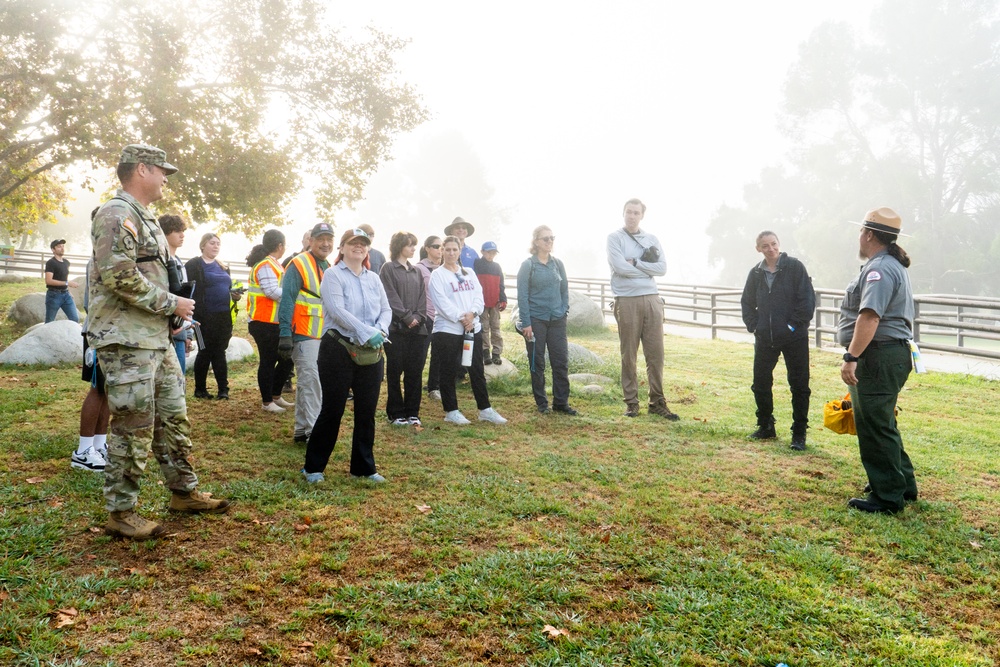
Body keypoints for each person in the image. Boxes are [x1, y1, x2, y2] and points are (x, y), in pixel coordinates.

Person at [89, 143, 229, 539]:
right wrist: (173, 302)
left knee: (172, 415)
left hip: (152, 335)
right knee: (133, 425)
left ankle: (183, 491)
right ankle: (121, 512)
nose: (166, 177)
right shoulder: (116, 213)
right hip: (126, 339)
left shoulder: (143, 216)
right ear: (142, 169)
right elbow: (118, 275)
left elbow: (152, 272)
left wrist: (169, 315)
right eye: (162, 170)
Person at [839, 207, 918, 515]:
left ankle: (887, 497)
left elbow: (870, 315)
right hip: (889, 353)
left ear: (869, 235)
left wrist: (851, 356)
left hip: (878, 354)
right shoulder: (889, 265)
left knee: (873, 425)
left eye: (861, 231)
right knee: (883, 421)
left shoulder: (880, 269)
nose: (859, 236)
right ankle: (902, 485)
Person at [301, 228, 391, 484]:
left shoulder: (374, 278)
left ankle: (363, 467)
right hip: (338, 350)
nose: (359, 247)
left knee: (367, 410)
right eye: (353, 243)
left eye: (363, 244)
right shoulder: (332, 275)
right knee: (333, 409)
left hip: (371, 352)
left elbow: (386, 309)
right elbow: (337, 310)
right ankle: (313, 467)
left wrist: (380, 331)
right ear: (342, 248)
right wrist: (366, 332)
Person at [740, 231, 815, 450]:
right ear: (759, 249)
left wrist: (792, 326)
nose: (771, 249)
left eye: (773, 244)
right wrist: (755, 325)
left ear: (779, 244)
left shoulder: (795, 267)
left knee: (799, 385)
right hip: (765, 337)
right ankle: (766, 426)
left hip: (794, 338)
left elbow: (807, 300)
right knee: (761, 383)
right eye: (765, 246)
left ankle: (799, 434)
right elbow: (747, 302)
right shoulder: (755, 273)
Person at [606, 198, 679, 420]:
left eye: (636, 213)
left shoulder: (651, 239)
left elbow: (663, 268)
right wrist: (648, 271)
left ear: (642, 216)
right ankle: (631, 402)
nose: (632, 216)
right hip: (627, 299)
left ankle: (657, 401)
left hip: (652, 299)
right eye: (628, 212)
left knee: (656, 353)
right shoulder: (614, 238)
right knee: (628, 353)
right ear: (623, 213)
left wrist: (636, 264)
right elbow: (619, 267)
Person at [429, 236, 507, 425]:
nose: (451, 253)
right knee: (448, 371)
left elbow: (478, 297)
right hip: (448, 330)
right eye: (447, 249)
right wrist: (462, 318)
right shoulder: (437, 275)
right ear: (442, 251)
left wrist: (472, 314)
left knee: (476, 370)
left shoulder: (469, 272)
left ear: (459, 251)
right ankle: (451, 410)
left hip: (473, 329)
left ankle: (485, 409)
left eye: (455, 249)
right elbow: (441, 303)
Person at [278, 222, 335, 444]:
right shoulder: (299, 263)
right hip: (301, 333)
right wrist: (284, 334)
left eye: (329, 239)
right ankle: (314, 432)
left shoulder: (327, 266)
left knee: (307, 382)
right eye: (320, 238)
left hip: (320, 334)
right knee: (312, 382)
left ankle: (302, 430)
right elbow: (287, 299)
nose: (325, 243)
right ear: (310, 241)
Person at [517, 226, 576, 415]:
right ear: (536, 242)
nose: (549, 241)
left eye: (552, 238)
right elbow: (522, 295)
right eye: (545, 239)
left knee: (560, 361)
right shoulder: (528, 265)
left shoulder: (557, 264)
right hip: (536, 319)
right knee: (538, 362)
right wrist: (526, 322)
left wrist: (563, 308)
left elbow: (564, 289)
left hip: (557, 319)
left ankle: (561, 402)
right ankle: (542, 403)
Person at [380, 231, 429, 425]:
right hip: (396, 329)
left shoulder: (416, 270)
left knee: (414, 372)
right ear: (399, 246)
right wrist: (407, 317)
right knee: (394, 371)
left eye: (414, 245)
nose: (413, 248)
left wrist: (417, 317)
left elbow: (422, 298)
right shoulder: (388, 268)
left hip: (417, 330)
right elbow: (389, 296)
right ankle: (396, 413)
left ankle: (412, 412)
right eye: (409, 245)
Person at [246, 229, 295, 413]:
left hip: (274, 322)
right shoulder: (266, 265)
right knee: (268, 361)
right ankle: (267, 402)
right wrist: (294, 295)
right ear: (280, 246)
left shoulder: (275, 264)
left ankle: (275, 395)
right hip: (262, 322)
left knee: (285, 360)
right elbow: (272, 291)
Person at [185, 233, 234, 399]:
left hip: (223, 316)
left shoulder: (223, 266)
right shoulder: (194, 264)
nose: (216, 246)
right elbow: (187, 289)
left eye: (218, 244)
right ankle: (200, 389)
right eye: (212, 243)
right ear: (203, 245)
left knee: (220, 351)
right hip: (201, 316)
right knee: (204, 350)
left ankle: (223, 390)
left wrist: (234, 295)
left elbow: (229, 287)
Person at [72, 252, 109, 472]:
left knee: (106, 389)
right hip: (98, 332)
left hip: (110, 332)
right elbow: (90, 301)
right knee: (97, 388)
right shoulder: (98, 258)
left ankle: (98, 444)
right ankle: (83, 451)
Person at [158, 214, 193, 372]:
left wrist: (188, 332)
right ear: (165, 233)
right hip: (162, 333)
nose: (182, 235)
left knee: (179, 382)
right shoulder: (158, 261)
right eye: (177, 231)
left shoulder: (179, 261)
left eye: (183, 231)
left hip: (179, 333)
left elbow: (184, 298)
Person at [417, 235, 443, 401]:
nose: (439, 250)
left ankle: (434, 387)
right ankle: (414, 384)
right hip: (425, 316)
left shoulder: (446, 268)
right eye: (435, 246)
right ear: (426, 248)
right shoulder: (419, 268)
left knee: (439, 355)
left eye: (442, 246)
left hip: (442, 318)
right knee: (420, 354)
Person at [474, 241, 507, 365]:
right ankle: (485, 352)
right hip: (481, 303)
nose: (491, 255)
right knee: (484, 328)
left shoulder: (497, 267)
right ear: (482, 252)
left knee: (496, 328)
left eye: (493, 253)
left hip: (495, 302)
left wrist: (503, 299)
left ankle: (496, 353)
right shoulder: (477, 264)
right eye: (488, 252)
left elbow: (501, 285)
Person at [44, 239, 80, 323]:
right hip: (54, 295)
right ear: (53, 249)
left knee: (75, 319)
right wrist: (67, 283)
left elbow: (64, 278)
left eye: (63, 246)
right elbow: (48, 281)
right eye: (59, 246)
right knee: (49, 321)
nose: (62, 248)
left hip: (66, 294)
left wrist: (68, 290)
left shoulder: (66, 262)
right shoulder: (51, 263)